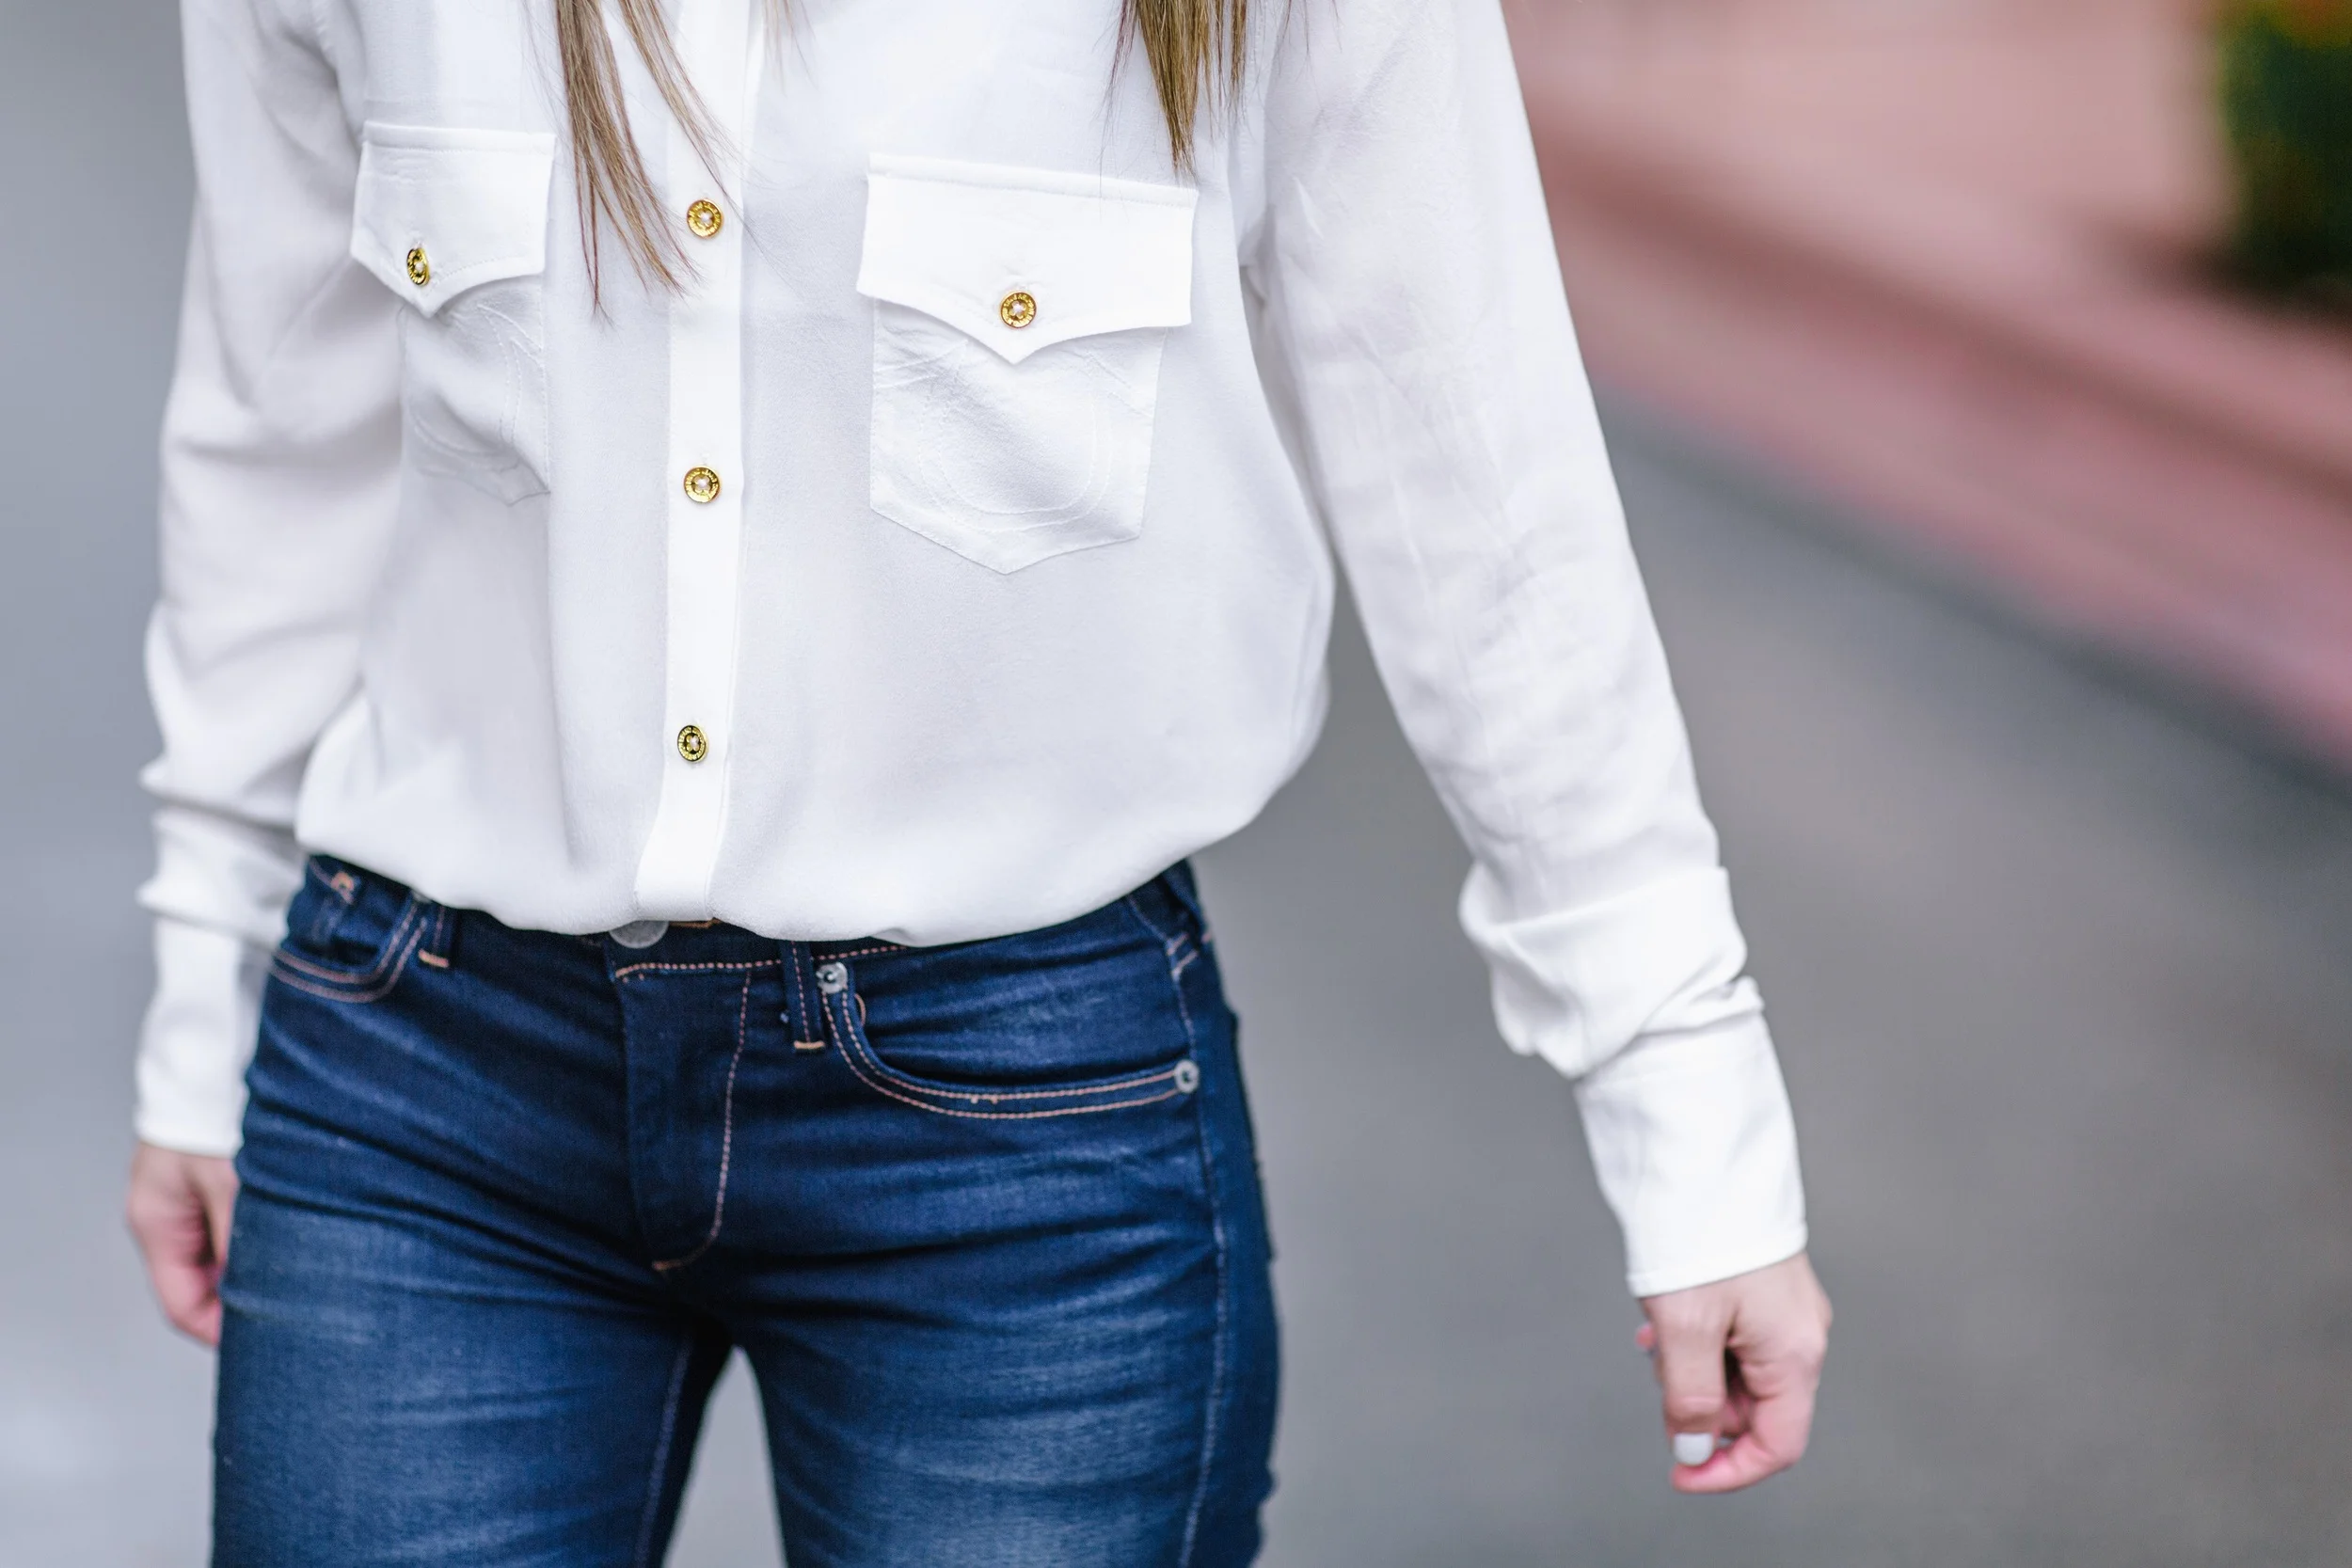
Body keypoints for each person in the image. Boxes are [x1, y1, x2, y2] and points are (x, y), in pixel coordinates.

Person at [122, 0, 1832, 1560]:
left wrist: (1683, 1101)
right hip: (429, 1095)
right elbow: (279, 432)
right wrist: (203, 995)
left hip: (1025, 1141)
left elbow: (1481, 495)